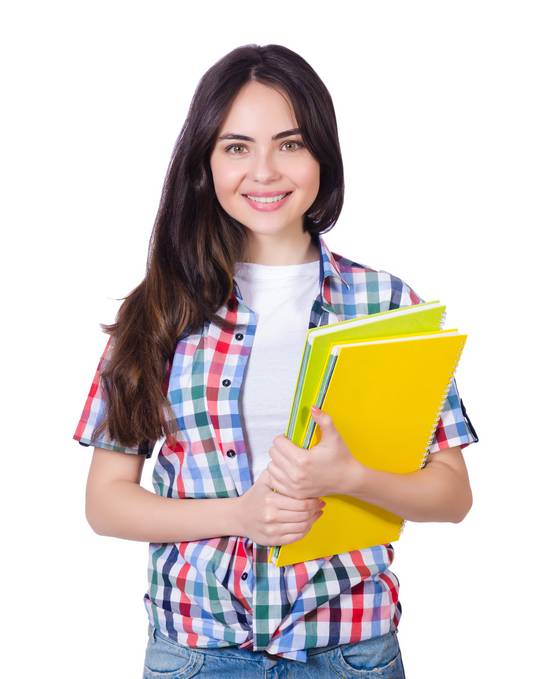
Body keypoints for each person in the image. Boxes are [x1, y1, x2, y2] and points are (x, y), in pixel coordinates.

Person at [75, 44, 476, 678]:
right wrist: (238, 516)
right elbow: (106, 502)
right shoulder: (157, 309)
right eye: (237, 147)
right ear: (206, 162)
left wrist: (348, 477)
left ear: (322, 155)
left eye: (289, 144)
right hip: (199, 653)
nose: (264, 171)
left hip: (350, 652)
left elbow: (452, 494)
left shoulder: (385, 304)